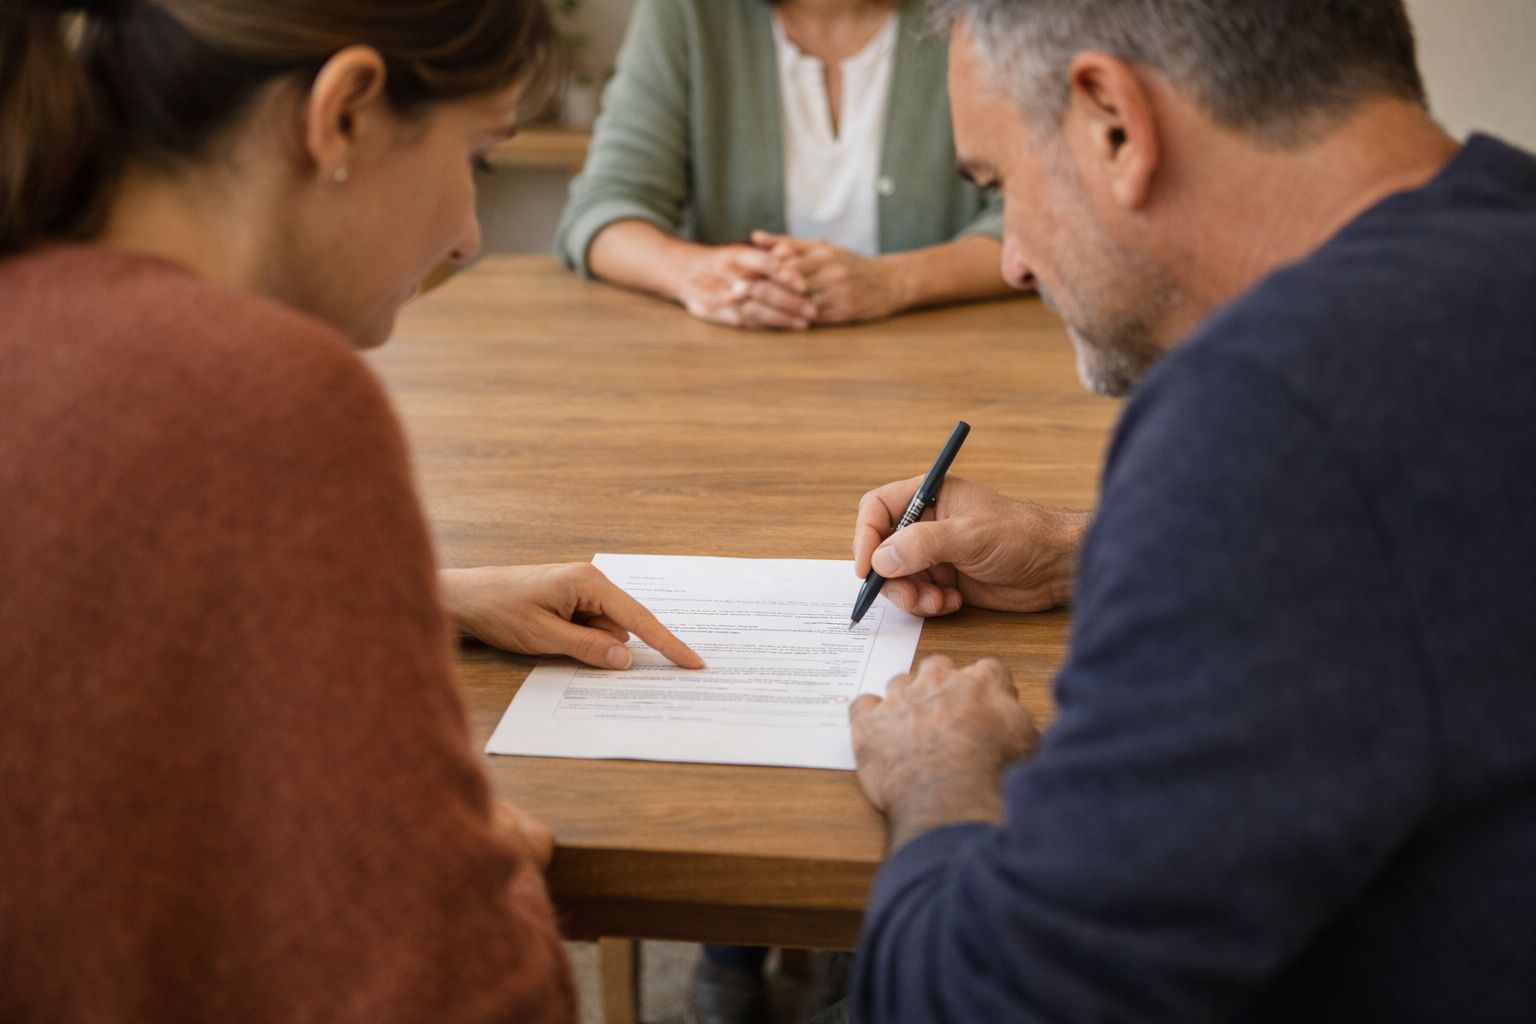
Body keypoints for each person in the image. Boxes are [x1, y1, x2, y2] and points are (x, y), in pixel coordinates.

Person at [0, 0, 702, 1020]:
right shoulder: (267, 398)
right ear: (344, 114)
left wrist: (422, 593)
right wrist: (479, 868)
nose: (468, 233)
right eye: (480, 156)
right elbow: (466, 998)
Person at [846, 0, 1536, 1021]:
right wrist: (1092, 554)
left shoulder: (1268, 417)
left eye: (1000, 188)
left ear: (1113, 122)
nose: (1013, 260)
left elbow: (989, 1002)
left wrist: (940, 775)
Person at [555, 0, 1014, 331]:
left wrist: (894, 282)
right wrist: (701, 276)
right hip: (728, 382)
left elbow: (1034, 218)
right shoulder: (686, 13)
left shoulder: (977, 14)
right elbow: (604, 210)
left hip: (945, 371)